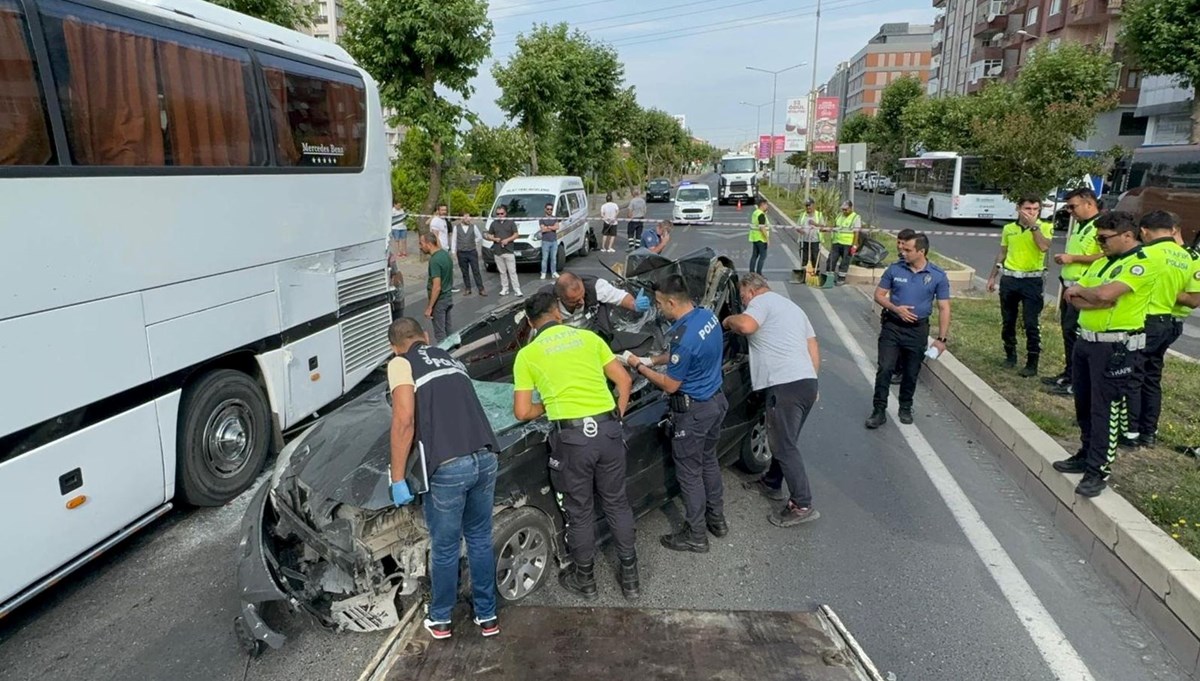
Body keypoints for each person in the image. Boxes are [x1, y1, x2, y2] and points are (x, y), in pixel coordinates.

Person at [512, 291, 639, 600]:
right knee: (617, 503)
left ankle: (587, 581)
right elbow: (624, 381)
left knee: (579, 511)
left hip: (572, 440)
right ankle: (631, 580)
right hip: (608, 431)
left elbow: (522, 411)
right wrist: (615, 417)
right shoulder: (589, 339)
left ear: (530, 322)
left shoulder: (527, 355)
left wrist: (551, 404)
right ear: (559, 313)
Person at [385, 317, 501, 640]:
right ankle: (487, 616)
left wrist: (397, 478)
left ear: (395, 348)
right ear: (424, 336)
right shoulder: (450, 358)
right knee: (479, 538)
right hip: (486, 456)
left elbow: (404, 420)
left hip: (449, 467)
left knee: (446, 547)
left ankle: (440, 619)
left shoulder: (400, 364)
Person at [1052, 212, 1156, 498]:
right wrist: (1089, 296)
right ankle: (1086, 453)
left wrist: (1089, 295)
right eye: (1097, 238)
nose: (1099, 243)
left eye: (1104, 238)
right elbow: (1073, 296)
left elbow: (1103, 295)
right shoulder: (1101, 263)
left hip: (1115, 348)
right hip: (1086, 341)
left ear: (1127, 235)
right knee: (1083, 404)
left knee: (1104, 409)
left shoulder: (1139, 265)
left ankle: (1099, 469)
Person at [627, 275, 728, 552]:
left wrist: (639, 366)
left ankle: (696, 535)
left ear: (672, 302)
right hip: (716, 401)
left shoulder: (683, 338)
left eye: (660, 304)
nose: (659, 309)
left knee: (690, 474)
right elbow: (680, 355)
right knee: (709, 462)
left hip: (693, 413)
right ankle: (716, 519)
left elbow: (671, 385)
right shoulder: (706, 317)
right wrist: (654, 359)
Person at [722, 273, 822, 527]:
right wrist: (813, 377)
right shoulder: (793, 308)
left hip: (784, 384)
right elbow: (812, 346)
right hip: (805, 383)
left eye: (743, 296)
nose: (743, 301)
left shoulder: (761, 302)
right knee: (785, 439)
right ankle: (772, 482)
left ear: (751, 290)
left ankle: (802, 504)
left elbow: (746, 326)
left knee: (784, 446)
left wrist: (727, 320)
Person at [1121, 211, 1193, 449]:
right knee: (1152, 378)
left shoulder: (1145, 253)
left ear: (1144, 231)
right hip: (1166, 322)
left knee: (1132, 375)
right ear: (1171, 229)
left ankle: (1130, 432)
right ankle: (1148, 431)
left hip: (1144, 321)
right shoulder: (1185, 257)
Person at [866, 232, 950, 429]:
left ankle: (905, 406)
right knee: (885, 368)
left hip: (917, 331)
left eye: (908, 250)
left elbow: (944, 307)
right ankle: (878, 410)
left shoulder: (937, 275)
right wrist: (896, 309)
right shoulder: (895, 270)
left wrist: (942, 339)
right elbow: (879, 295)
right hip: (892, 327)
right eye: (902, 248)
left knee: (911, 372)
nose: (902, 252)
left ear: (921, 251)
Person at [1043, 188, 1104, 394]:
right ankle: (1069, 373)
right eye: (1068, 207)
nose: (1070, 211)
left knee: (1077, 336)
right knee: (1068, 334)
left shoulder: (1101, 226)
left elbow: (1104, 256)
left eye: (1073, 206)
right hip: (1069, 286)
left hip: (1084, 289)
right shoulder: (1081, 226)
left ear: (1089, 203)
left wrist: (1073, 259)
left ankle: (1077, 381)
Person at [986, 196, 1053, 377]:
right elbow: (1002, 252)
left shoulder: (1045, 227)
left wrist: (1034, 226)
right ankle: (1010, 354)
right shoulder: (1009, 228)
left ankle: (1032, 361)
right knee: (1008, 320)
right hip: (1010, 279)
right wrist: (992, 276)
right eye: (1028, 208)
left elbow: (1044, 247)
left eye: (1035, 209)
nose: (1031, 212)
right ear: (1018, 208)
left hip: (1032, 280)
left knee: (1031, 322)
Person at [551, 271, 651, 343]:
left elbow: (619, 296)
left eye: (583, 296)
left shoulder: (594, 286)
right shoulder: (547, 301)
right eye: (575, 301)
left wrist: (634, 304)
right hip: (562, 341)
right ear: (561, 299)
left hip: (592, 336)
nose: (581, 301)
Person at [421, 231, 454, 343]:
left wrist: (430, 307)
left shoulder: (434, 261)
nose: (420, 247)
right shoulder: (445, 255)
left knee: (440, 334)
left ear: (429, 244)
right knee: (449, 330)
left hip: (439, 301)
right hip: (448, 297)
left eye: (421, 243)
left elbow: (437, 286)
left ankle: (444, 355)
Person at [485, 205, 522, 297]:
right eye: (498, 214)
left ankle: (517, 289)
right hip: (498, 251)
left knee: (512, 271)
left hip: (509, 250)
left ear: (506, 213)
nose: (500, 215)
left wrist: (507, 240)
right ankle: (505, 288)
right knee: (502, 272)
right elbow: (489, 235)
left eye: (502, 213)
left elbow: (516, 234)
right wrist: (494, 239)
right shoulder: (494, 223)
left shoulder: (511, 223)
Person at [450, 213, 487, 297]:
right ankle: (468, 288)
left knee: (476, 271)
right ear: (461, 218)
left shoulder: (474, 227)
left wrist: (474, 241)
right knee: (464, 272)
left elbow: (479, 237)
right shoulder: (456, 228)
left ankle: (481, 289)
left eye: (469, 217)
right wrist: (453, 252)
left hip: (472, 252)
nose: (468, 219)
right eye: (466, 217)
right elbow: (454, 240)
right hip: (461, 252)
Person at [826, 201, 861, 286]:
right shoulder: (839, 215)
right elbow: (835, 227)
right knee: (831, 260)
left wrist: (854, 245)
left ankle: (841, 278)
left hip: (847, 244)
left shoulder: (855, 217)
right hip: (836, 242)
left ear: (850, 208)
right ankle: (829, 277)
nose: (844, 211)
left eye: (846, 210)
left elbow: (856, 233)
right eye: (843, 209)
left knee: (845, 262)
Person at [796, 198, 822, 275]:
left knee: (815, 257)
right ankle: (804, 273)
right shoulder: (803, 215)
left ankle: (815, 273)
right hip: (804, 240)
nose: (808, 207)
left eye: (809, 205)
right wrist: (800, 230)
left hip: (815, 240)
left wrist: (815, 224)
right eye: (806, 206)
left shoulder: (819, 215)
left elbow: (823, 227)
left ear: (813, 205)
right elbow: (797, 226)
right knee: (804, 257)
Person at [747, 198, 770, 275]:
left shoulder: (755, 213)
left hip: (754, 237)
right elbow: (762, 227)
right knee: (763, 257)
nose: (767, 206)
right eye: (766, 205)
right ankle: (759, 273)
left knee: (754, 256)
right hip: (761, 239)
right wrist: (767, 239)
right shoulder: (761, 215)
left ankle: (751, 273)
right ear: (762, 205)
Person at [539, 202, 560, 280]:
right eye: (548, 209)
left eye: (551, 209)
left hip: (554, 241)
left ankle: (553, 272)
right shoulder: (542, 219)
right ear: (545, 209)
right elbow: (543, 229)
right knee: (545, 258)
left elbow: (557, 227)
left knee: (553, 258)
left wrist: (547, 227)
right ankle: (543, 272)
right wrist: (552, 227)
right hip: (545, 241)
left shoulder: (555, 218)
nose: (549, 210)